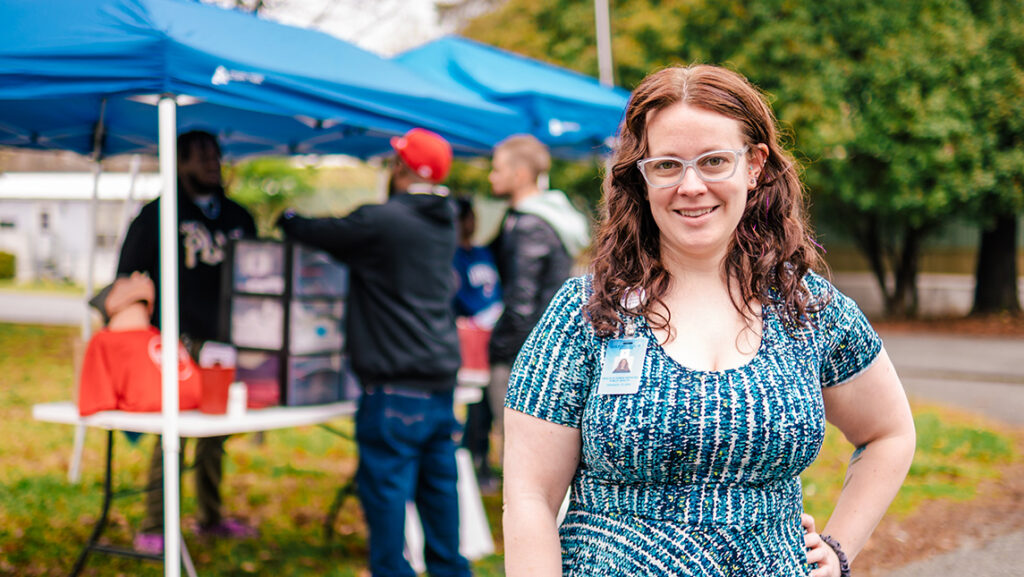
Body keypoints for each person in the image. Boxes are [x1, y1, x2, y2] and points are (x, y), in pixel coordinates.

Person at [502, 65, 917, 577]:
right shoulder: (586, 313)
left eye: (714, 161)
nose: (691, 185)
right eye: (668, 165)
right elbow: (529, 498)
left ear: (755, 166)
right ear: (642, 175)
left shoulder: (807, 308)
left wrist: (839, 549)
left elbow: (889, 433)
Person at [277, 127, 472, 577]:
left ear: (402, 169)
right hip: (439, 384)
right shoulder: (442, 218)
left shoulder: (384, 221)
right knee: (438, 495)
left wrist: (285, 218)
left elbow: (320, 231)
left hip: (394, 389)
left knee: (386, 504)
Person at [116, 130, 258, 553]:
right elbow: (128, 278)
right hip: (173, 343)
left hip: (227, 342)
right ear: (177, 162)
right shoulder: (156, 216)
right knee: (171, 434)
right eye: (200, 156)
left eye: (215, 155)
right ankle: (155, 524)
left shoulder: (238, 217)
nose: (211, 163)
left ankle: (211, 518)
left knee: (217, 434)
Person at [486, 134, 590, 467]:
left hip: (524, 352)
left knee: (521, 450)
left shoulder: (530, 223)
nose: (491, 176)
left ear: (519, 175)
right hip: (547, 344)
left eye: (497, 169)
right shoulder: (546, 216)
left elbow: (522, 301)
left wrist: (498, 350)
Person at [452, 197, 502, 493]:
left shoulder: (483, 252)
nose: (470, 224)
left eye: (472, 216)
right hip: (469, 342)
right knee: (473, 404)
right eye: (464, 218)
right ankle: (471, 459)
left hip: (494, 339)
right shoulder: (451, 257)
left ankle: (482, 458)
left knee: (486, 406)